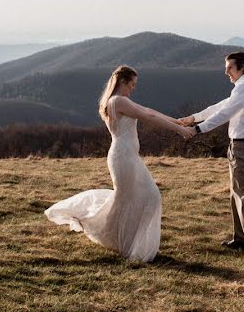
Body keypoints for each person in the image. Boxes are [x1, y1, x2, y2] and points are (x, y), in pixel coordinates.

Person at [45, 65, 195, 262]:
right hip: (123, 157)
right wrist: (179, 131)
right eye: (132, 84)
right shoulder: (117, 101)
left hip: (127, 156)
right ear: (122, 82)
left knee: (134, 199)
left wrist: (176, 122)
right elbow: (147, 116)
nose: (133, 88)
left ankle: (127, 244)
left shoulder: (119, 101)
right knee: (145, 197)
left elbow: (148, 110)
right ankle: (125, 243)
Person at [179, 51, 244, 264]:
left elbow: (225, 113)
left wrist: (198, 129)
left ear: (242, 67)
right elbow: (220, 106)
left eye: (229, 67)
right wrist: (193, 118)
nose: (226, 72)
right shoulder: (243, 87)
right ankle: (241, 239)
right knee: (236, 195)